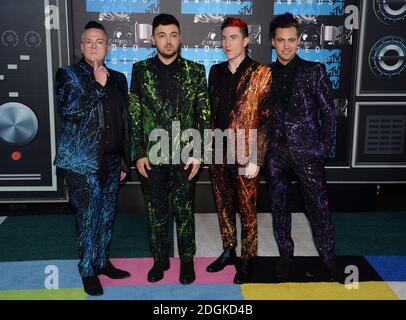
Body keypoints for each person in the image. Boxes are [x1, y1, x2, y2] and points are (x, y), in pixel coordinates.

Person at [129, 13, 210, 285]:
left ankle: (187, 261)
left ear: (180, 38)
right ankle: (159, 260)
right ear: (153, 39)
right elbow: (135, 114)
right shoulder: (139, 70)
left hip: (186, 155)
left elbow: (204, 116)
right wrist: (138, 152)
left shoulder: (196, 71)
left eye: (173, 35)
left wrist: (199, 152)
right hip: (151, 155)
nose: (168, 40)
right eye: (162, 35)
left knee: (185, 210)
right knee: (155, 211)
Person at [54, 21, 131, 296]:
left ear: (108, 46)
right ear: (81, 46)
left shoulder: (119, 78)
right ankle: (87, 269)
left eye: (99, 41)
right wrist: (97, 87)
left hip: (111, 161)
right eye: (89, 41)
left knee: (107, 215)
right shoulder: (68, 75)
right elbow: (70, 111)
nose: (94, 46)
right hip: (81, 162)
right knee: (88, 217)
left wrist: (124, 159)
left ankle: (101, 261)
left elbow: (123, 121)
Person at [266, 13, 343, 283]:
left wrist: (322, 148)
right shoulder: (265, 75)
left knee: (319, 208)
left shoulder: (314, 71)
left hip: (309, 154)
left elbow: (329, 114)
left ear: (298, 41)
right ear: (273, 43)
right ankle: (286, 257)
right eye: (281, 41)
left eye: (291, 40)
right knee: (278, 208)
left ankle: (329, 258)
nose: (286, 46)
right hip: (277, 155)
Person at [206, 17, 273, 284]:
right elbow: (212, 113)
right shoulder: (216, 71)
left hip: (247, 154)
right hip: (219, 151)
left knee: (247, 209)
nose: (227, 43)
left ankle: (248, 259)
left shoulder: (261, 73)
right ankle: (229, 250)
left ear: (246, 40)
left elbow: (267, 120)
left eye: (233, 37)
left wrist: (258, 156)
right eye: (224, 38)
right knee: (223, 206)